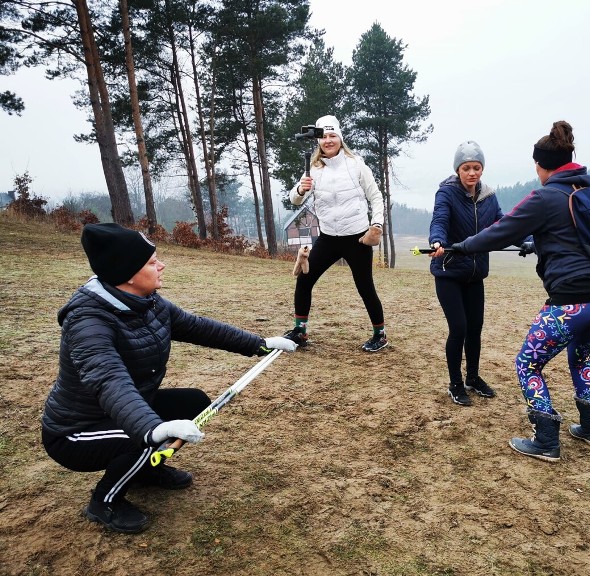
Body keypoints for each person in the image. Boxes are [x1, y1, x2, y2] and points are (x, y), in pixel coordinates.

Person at [41, 223, 297, 534]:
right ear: (128, 274)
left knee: (194, 404)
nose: (160, 265)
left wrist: (259, 343)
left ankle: (145, 472)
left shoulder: (146, 301)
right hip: (76, 431)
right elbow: (108, 379)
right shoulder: (88, 321)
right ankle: (104, 502)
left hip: (122, 411)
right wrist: (151, 428)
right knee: (146, 438)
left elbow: (196, 326)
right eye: (151, 262)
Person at [448, 120, 590, 462]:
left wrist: (464, 246)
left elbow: (501, 230)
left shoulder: (546, 195)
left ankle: (545, 439)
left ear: (542, 166)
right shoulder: (587, 191)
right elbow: (574, 239)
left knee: (528, 363)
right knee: (580, 355)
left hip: (575, 300)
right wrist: (538, 243)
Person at [287, 115, 388, 352]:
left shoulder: (357, 165)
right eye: (324, 136)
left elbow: (376, 197)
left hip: (357, 238)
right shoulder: (314, 169)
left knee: (365, 286)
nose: (328, 141)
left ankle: (380, 335)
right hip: (328, 238)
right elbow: (295, 198)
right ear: (319, 141)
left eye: (333, 136)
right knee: (304, 278)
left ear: (340, 138)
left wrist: (377, 225)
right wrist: (301, 188)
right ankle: (300, 332)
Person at [428, 141, 503, 406]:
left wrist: (524, 238)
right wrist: (437, 240)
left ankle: (473, 377)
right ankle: (455, 383)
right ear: (458, 169)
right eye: (467, 168)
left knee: (475, 329)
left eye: (477, 167)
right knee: (458, 327)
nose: (472, 173)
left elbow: (502, 225)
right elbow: (439, 220)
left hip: (475, 274)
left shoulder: (489, 197)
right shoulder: (446, 193)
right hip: (448, 271)